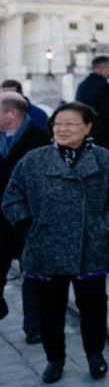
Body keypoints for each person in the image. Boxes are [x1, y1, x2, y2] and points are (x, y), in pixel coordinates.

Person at [2, 102, 109, 385]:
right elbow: (12, 197)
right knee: (50, 310)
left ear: (88, 127)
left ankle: (95, 356)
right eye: (58, 123)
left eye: (71, 123)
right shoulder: (34, 160)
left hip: (90, 248)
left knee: (94, 307)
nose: (62, 128)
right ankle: (54, 359)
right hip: (44, 247)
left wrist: (105, 230)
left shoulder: (105, 160)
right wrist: (26, 227)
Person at [0, 92, 49, 340]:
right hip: (0, 218)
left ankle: (34, 326)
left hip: (28, 218)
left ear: (11, 114)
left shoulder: (39, 139)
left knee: (32, 273)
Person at [75, 56, 109, 165]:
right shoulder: (104, 86)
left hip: (88, 137)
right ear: (102, 68)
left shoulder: (82, 86)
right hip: (106, 138)